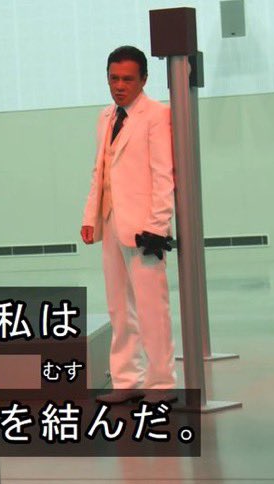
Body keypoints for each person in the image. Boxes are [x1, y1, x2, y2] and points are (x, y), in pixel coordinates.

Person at [80, 45, 177, 404]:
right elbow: (100, 170)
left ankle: (162, 383)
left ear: (144, 80)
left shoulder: (157, 115)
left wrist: (158, 226)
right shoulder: (106, 116)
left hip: (144, 228)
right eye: (114, 78)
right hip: (111, 222)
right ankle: (126, 380)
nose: (119, 86)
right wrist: (90, 217)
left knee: (152, 309)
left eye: (127, 79)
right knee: (119, 308)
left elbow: (164, 175)